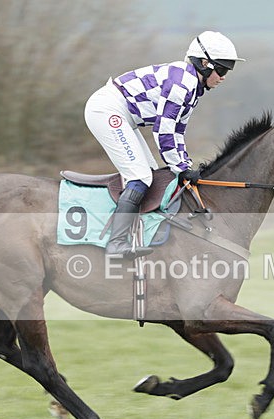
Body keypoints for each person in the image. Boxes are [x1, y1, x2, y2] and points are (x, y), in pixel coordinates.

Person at [84, 30, 245, 259]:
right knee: (140, 177)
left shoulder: (193, 88)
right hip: (107, 110)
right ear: (204, 64)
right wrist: (180, 168)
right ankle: (116, 243)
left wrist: (185, 165)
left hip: (123, 115)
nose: (223, 77)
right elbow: (164, 131)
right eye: (221, 70)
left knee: (152, 176)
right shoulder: (182, 83)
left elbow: (178, 132)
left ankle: (138, 236)